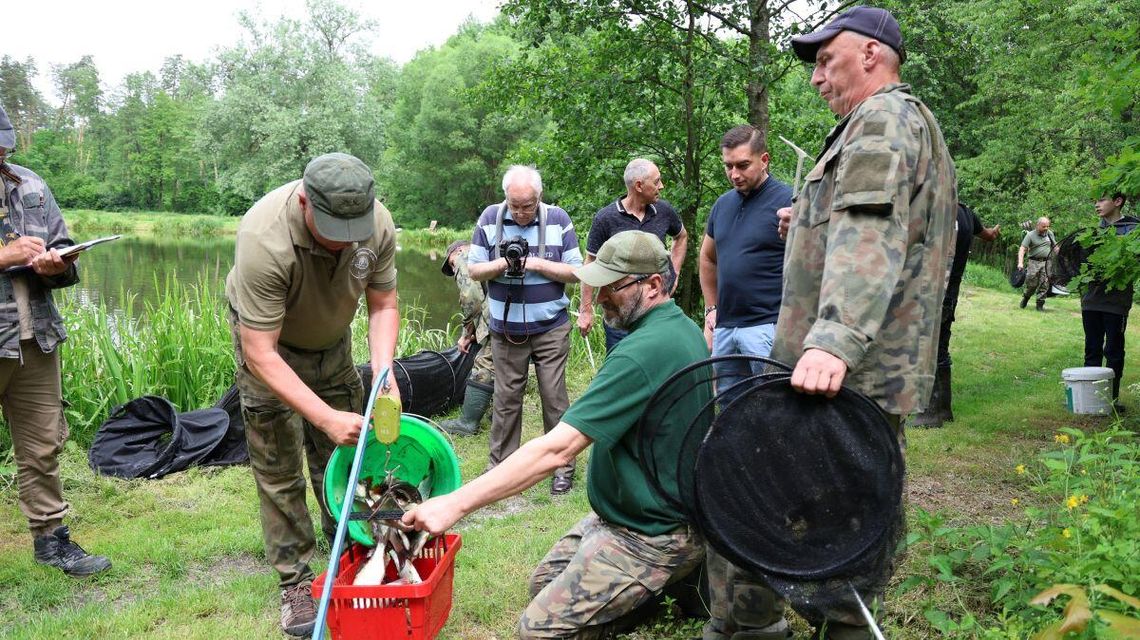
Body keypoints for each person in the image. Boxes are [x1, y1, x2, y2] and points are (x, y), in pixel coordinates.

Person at [704, 7, 958, 640]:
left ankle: (779, 627)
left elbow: (872, 236)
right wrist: (809, 225)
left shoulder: (881, 120)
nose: (816, 77)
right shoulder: (893, 123)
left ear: (871, 54)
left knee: (822, 512)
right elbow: (877, 226)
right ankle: (768, 622)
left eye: (825, 60)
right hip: (846, 374)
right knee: (818, 505)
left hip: (844, 375)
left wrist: (834, 341)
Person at [404, 231, 709, 639]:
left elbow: (557, 450)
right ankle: (646, 593)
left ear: (653, 285)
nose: (600, 297)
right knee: (542, 585)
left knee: (538, 631)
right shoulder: (682, 328)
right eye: (597, 285)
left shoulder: (643, 352)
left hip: (652, 532)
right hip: (628, 513)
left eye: (612, 287)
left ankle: (667, 582)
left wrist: (454, 504)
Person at [224, 152, 400, 637]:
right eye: (334, 229)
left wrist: (384, 372)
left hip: (333, 345)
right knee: (279, 469)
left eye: (354, 230)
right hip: (271, 348)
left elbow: (383, 303)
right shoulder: (264, 238)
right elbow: (260, 352)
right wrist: (323, 416)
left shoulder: (377, 222)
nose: (347, 241)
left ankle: (349, 552)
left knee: (345, 458)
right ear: (305, 202)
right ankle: (296, 582)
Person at [0, 104, 111, 578]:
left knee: (42, 446)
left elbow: (63, 250)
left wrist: (57, 264)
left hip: (35, 339)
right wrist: (4, 256)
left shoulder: (31, 184)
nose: (2, 155)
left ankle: (51, 541)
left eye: (4, 146)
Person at [467, 165, 583, 495]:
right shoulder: (489, 218)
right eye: (514, 205)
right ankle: (500, 468)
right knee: (506, 399)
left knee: (554, 398)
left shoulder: (558, 219)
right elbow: (474, 270)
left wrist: (534, 263)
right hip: (506, 329)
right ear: (505, 198)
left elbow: (577, 272)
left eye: (527, 206)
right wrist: (505, 262)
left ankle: (562, 467)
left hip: (551, 327)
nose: (520, 213)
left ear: (539, 197)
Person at [698, 125, 792, 395]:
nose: (734, 174)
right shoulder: (722, 205)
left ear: (764, 160)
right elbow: (707, 258)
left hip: (768, 326)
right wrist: (711, 309)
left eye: (742, 165)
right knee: (728, 404)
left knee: (772, 404)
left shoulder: (789, 203)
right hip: (726, 328)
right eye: (728, 166)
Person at [578, 158, 687, 352]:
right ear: (639, 186)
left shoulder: (664, 211)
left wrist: (675, 272)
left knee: (659, 358)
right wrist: (585, 310)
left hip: (655, 309)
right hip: (621, 312)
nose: (661, 186)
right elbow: (591, 263)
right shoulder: (605, 218)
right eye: (656, 181)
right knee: (623, 359)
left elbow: (681, 236)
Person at [912, 203, 1000, 427]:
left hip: (935, 293)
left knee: (930, 346)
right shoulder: (967, 212)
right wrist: (994, 231)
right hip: (950, 292)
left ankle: (932, 412)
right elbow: (988, 235)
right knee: (939, 346)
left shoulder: (939, 210)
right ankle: (941, 409)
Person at [1081, 193, 1138, 409]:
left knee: (1113, 350)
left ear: (1118, 201)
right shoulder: (1093, 232)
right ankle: (1091, 400)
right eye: (1095, 201)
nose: (1097, 205)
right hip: (1091, 300)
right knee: (1092, 349)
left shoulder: (1134, 229)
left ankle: (1111, 400)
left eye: (1102, 200)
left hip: (1116, 303)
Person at [438, 240, 495, 435]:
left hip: (496, 318)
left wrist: (466, 333)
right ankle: (500, 414)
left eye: (451, 263)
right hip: (517, 316)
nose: (454, 269)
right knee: (507, 365)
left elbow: (471, 298)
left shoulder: (465, 256)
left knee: (485, 364)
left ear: (459, 250)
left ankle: (467, 423)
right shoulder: (489, 252)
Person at [1017, 216, 1056, 311]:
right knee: (1032, 284)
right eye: (1044, 226)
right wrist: (1020, 263)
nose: (1046, 228)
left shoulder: (1050, 234)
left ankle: (1040, 305)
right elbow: (1022, 249)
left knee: (1044, 284)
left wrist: (1062, 254)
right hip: (1033, 262)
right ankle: (1026, 297)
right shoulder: (1030, 235)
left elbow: (1055, 246)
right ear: (1037, 225)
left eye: (1048, 226)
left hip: (1047, 262)